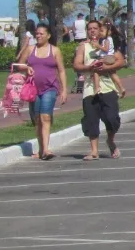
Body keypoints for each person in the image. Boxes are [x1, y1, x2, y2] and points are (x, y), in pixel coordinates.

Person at [16, 24, 68, 160]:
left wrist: (64, 90)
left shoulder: (55, 51)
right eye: (36, 34)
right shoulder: (30, 49)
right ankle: (40, 149)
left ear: (48, 35)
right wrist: (26, 68)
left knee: (46, 117)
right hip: (33, 89)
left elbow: (61, 70)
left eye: (41, 34)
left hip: (50, 88)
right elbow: (19, 65)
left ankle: (46, 150)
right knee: (37, 119)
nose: (38, 36)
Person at [75, 20, 126, 160]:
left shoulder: (106, 44)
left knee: (112, 118)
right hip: (90, 88)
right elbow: (77, 65)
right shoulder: (83, 47)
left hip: (108, 87)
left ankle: (110, 140)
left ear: (99, 30)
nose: (92, 31)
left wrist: (107, 68)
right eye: (90, 28)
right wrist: (88, 68)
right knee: (91, 119)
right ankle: (94, 151)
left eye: (95, 28)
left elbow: (121, 61)